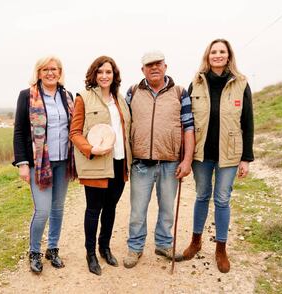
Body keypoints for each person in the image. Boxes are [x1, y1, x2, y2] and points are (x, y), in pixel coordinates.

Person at [182, 39, 254, 273]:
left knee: (222, 199)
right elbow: (186, 121)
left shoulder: (241, 84)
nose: (218, 55)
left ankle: (221, 248)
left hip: (230, 154)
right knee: (202, 196)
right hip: (201, 153)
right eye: (214, 52)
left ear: (229, 55)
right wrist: (185, 154)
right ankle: (196, 241)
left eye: (222, 51)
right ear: (208, 55)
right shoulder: (196, 83)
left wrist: (246, 158)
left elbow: (248, 122)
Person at [123, 50, 195, 268]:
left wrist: (187, 160)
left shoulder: (180, 93)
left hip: (170, 162)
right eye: (149, 65)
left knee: (166, 208)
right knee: (137, 211)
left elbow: (189, 128)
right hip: (141, 163)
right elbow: (124, 124)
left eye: (158, 64)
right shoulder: (133, 91)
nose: (154, 68)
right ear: (142, 69)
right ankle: (135, 248)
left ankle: (163, 244)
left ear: (166, 66)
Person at [69, 56, 132, 276]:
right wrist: (90, 149)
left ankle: (104, 247)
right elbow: (75, 133)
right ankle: (91, 254)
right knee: (94, 209)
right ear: (94, 75)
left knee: (111, 208)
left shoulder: (120, 99)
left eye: (109, 72)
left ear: (114, 75)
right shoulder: (83, 98)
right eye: (100, 72)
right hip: (96, 164)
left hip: (119, 162)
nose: (104, 76)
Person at [13, 56, 75, 274]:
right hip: (39, 164)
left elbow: (73, 128)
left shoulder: (67, 96)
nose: (51, 73)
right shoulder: (27, 96)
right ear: (39, 72)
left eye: (55, 69)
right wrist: (22, 163)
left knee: (58, 208)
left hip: (63, 162)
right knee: (42, 210)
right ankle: (34, 252)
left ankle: (53, 249)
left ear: (60, 72)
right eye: (46, 69)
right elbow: (20, 131)